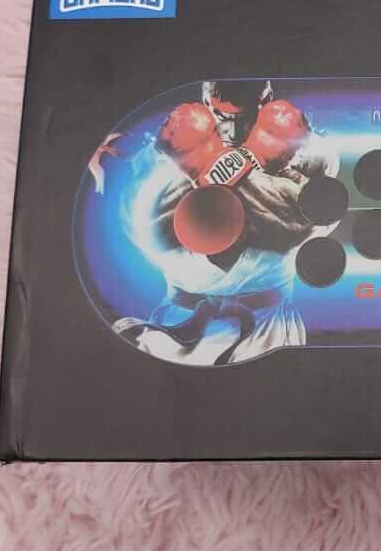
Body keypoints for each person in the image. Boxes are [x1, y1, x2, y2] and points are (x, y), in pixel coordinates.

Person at [104, 79, 339, 365]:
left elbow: (305, 228)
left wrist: (208, 162)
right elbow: (147, 230)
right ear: (205, 103)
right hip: (179, 317)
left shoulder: (310, 149)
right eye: (222, 115)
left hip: (268, 321)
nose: (235, 129)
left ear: (267, 100)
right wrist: (246, 166)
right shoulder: (159, 148)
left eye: (248, 114)